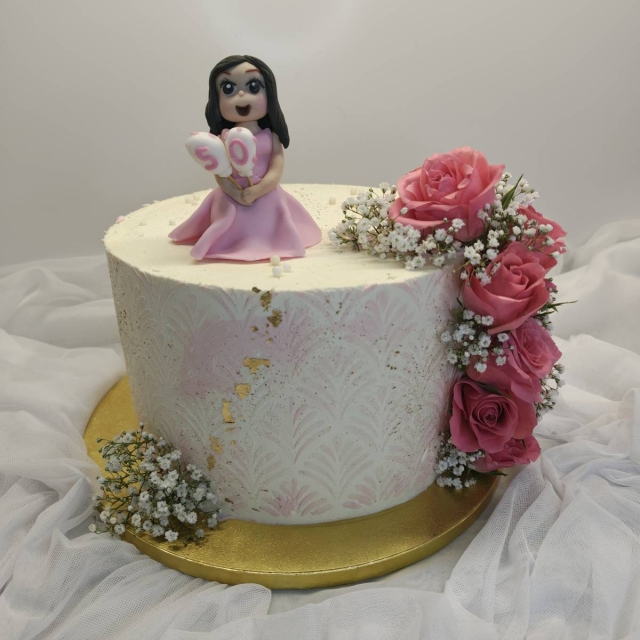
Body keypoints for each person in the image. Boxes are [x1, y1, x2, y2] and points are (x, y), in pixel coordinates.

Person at [169, 55, 322, 261]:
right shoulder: (221, 138)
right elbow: (219, 171)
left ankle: (269, 240)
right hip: (230, 195)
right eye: (228, 89)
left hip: (265, 193)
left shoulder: (272, 136)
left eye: (253, 86)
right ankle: (230, 240)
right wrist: (232, 191)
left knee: (270, 212)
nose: (241, 95)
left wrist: (258, 190)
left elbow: (276, 167)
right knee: (226, 216)